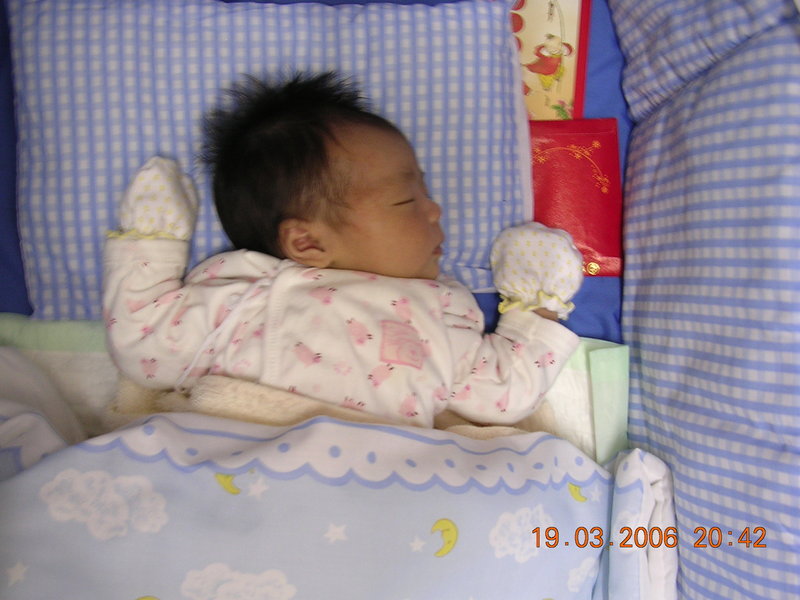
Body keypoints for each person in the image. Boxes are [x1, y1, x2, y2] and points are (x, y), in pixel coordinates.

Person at [103, 72, 583, 428]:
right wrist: (153, 240)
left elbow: (502, 393)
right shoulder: (243, 295)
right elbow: (143, 340)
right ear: (308, 242)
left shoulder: (438, 312)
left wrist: (536, 305)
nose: (435, 210)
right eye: (406, 200)